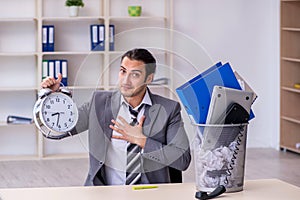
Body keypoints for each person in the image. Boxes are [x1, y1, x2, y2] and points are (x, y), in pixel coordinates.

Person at [41, 48, 191, 186]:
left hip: (151, 192)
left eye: (135, 75)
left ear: (149, 79)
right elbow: (58, 132)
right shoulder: (99, 103)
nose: (126, 80)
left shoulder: (169, 109)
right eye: (123, 71)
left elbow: (183, 160)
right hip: (106, 192)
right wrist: (52, 99)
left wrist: (142, 141)